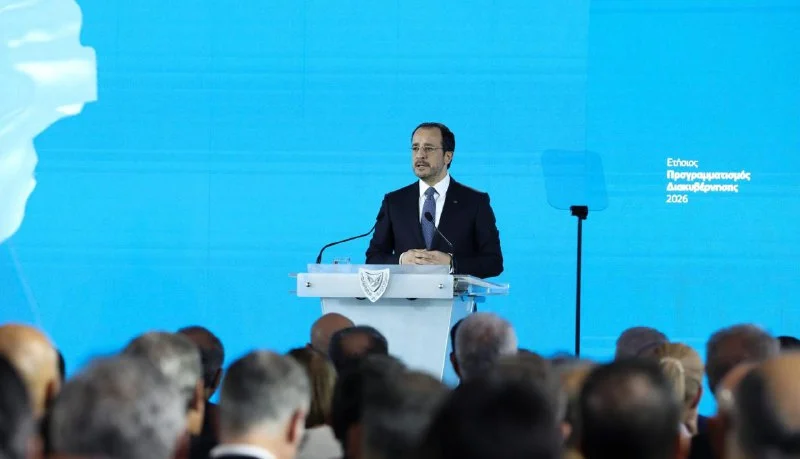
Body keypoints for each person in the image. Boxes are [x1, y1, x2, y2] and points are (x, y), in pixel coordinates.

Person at [365, 122, 503, 279]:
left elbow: (494, 262)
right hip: (406, 294)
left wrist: (452, 263)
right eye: (415, 148)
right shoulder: (394, 202)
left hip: (455, 294)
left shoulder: (475, 202)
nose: (420, 155)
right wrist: (401, 260)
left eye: (428, 148)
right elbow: (373, 258)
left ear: (448, 156)